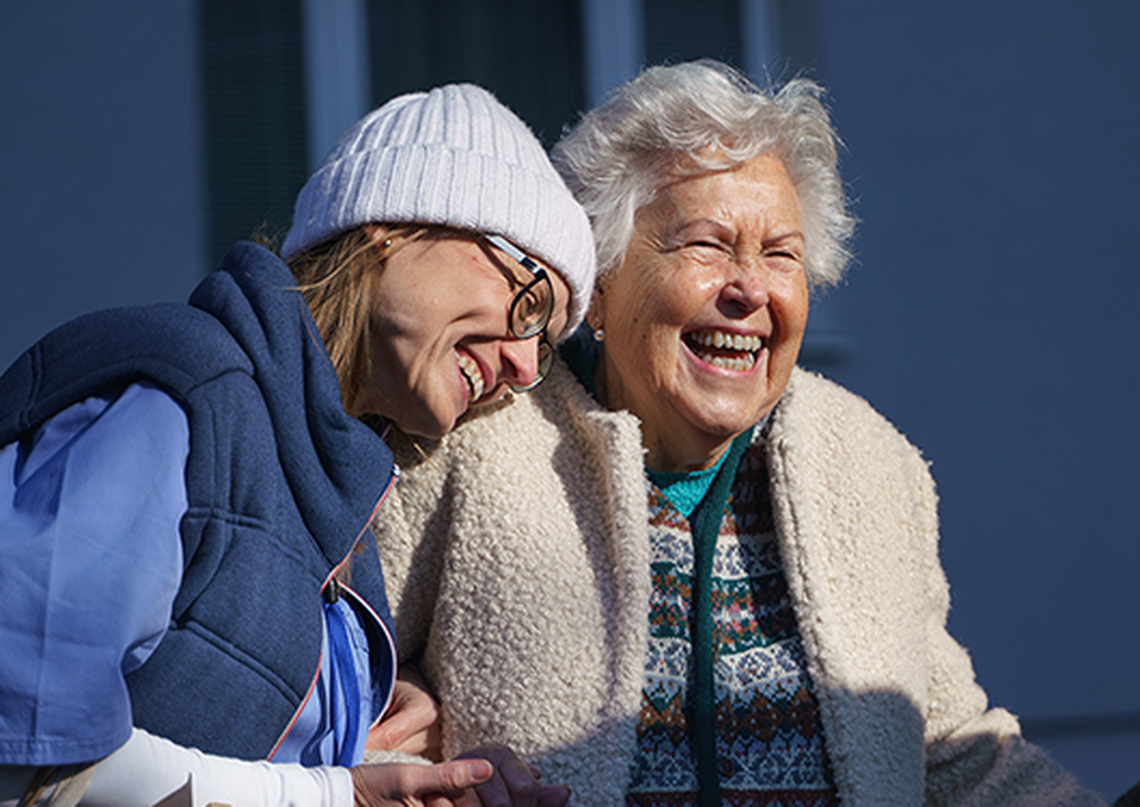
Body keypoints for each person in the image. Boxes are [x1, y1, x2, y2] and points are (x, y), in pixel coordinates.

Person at [368, 62, 1107, 805]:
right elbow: (332, 693)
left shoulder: (869, 465)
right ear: (600, 284)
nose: (750, 289)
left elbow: (947, 750)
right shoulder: (474, 445)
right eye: (707, 245)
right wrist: (394, 727)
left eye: (780, 254)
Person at [0, 83, 593, 807]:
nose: (526, 368)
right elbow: (24, 743)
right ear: (393, 226)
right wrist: (330, 795)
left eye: (548, 345)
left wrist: (387, 772)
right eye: (528, 303)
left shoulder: (335, 489)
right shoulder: (183, 398)